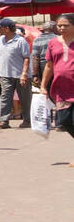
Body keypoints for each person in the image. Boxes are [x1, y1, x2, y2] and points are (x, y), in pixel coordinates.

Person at [39, 14, 74, 160]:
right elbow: (49, 65)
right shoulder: (53, 43)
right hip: (61, 89)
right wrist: (43, 86)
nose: (61, 28)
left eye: (65, 25)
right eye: (59, 25)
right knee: (64, 121)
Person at [0, 18, 31, 129]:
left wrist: (24, 73)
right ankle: (4, 121)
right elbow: (1, 57)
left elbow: (26, 58)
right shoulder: (0, 40)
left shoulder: (21, 41)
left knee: (25, 99)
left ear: (7, 29)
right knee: (5, 97)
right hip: (6, 74)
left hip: (20, 75)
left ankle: (27, 120)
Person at [31, 21, 59, 88]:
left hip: (43, 67)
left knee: (47, 88)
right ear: (53, 28)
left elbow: (35, 58)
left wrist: (35, 75)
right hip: (57, 65)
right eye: (57, 27)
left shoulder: (36, 40)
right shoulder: (59, 38)